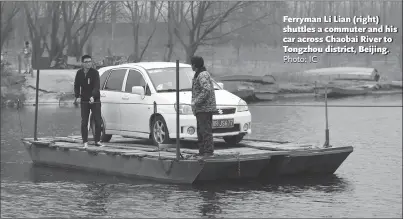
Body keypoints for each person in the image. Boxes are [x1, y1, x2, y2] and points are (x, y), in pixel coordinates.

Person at [74, 55, 103, 148]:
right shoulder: (79, 73)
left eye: (90, 61)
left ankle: (97, 141)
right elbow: (76, 86)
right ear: (82, 63)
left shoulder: (95, 73)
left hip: (95, 99)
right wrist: (77, 96)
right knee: (84, 122)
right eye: (86, 62)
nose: (88, 63)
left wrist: (93, 96)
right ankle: (85, 142)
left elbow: (96, 86)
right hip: (84, 100)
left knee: (98, 121)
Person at [190, 56, 217, 156]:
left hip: (205, 108)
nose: (191, 66)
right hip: (201, 109)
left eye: (191, 64)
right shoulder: (199, 74)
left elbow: (206, 89)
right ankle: (202, 151)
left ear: (195, 65)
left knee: (205, 131)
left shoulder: (202, 75)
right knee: (201, 131)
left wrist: (196, 101)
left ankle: (208, 151)